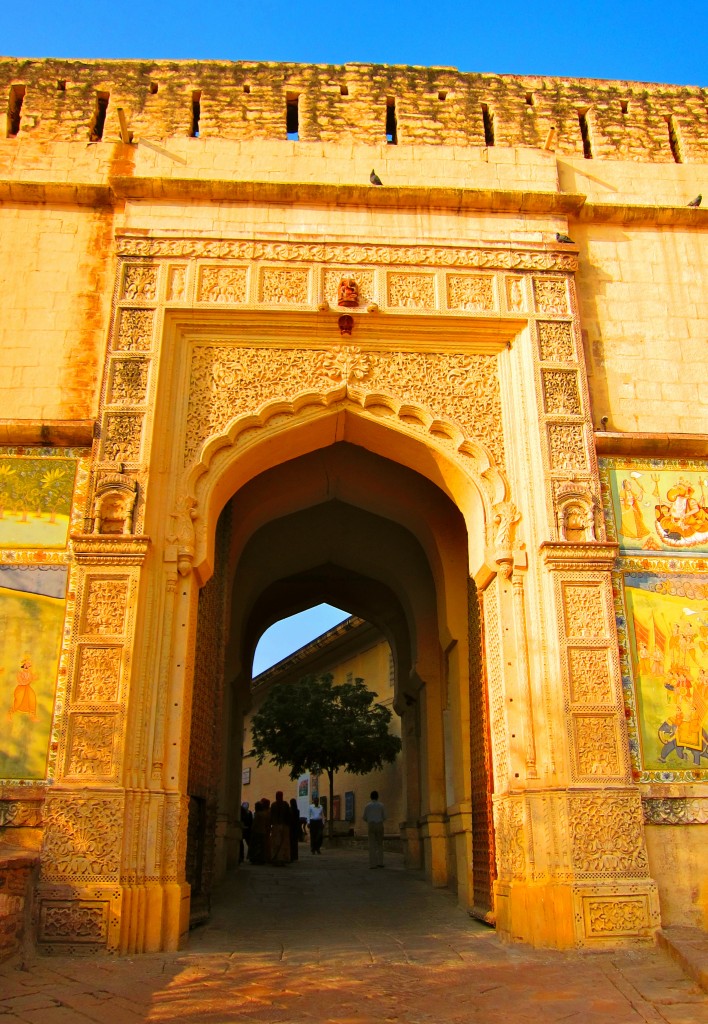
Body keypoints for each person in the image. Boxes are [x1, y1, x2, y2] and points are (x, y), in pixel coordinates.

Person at [363, 790, 386, 868]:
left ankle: (373, 864)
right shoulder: (381, 805)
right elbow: (385, 817)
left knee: (372, 844)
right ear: (377, 797)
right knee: (380, 844)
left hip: (371, 824)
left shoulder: (367, 806)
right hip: (379, 824)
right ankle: (380, 862)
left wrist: (369, 820)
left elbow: (364, 817)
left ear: (371, 797)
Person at [270, 791, 291, 866]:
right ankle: (279, 858)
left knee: (279, 843)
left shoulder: (275, 805)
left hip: (279, 825)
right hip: (280, 825)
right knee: (279, 843)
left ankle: (278, 858)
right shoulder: (284, 804)